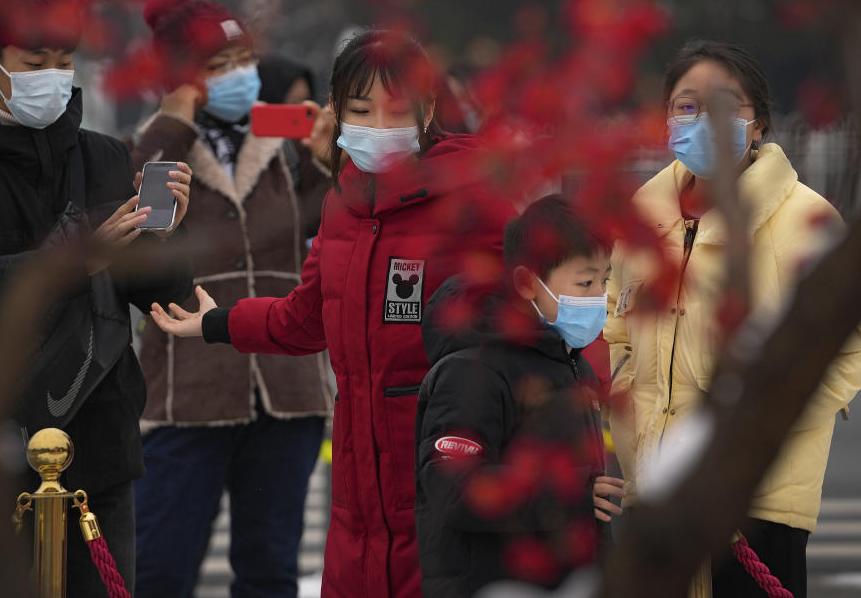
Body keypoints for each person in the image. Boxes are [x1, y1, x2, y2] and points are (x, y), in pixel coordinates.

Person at [148, 29, 517, 598]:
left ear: (428, 109)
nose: (377, 125)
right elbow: (307, 318)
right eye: (360, 109)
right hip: (357, 493)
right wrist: (218, 321)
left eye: (396, 110)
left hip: (443, 472)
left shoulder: (475, 198)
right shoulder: (342, 204)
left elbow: (531, 321)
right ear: (336, 112)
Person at [0, 0, 193, 596]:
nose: (55, 77)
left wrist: (163, 237)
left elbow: (160, 296)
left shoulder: (105, 159)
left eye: (65, 62)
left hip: (102, 444)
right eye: (36, 63)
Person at [604, 40, 861, 598]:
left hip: (759, 497)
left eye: (726, 106)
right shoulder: (643, 217)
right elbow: (616, 326)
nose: (704, 121)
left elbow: (849, 347)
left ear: (759, 123)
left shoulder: (809, 219)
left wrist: (771, 418)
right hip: (659, 493)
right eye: (687, 105)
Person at [127, 0, 334, 598]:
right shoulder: (159, 145)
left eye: (243, 59)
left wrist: (325, 157)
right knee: (161, 566)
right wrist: (173, 118)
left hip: (286, 387)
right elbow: (141, 221)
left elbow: (332, 221)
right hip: (188, 392)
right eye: (216, 66)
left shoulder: (284, 145)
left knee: (270, 569)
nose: (238, 76)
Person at [415, 195, 621, 596]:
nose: (598, 295)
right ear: (527, 282)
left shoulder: (571, 363)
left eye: (605, 280)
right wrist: (572, 493)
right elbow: (453, 489)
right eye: (585, 282)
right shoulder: (473, 371)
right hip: (489, 583)